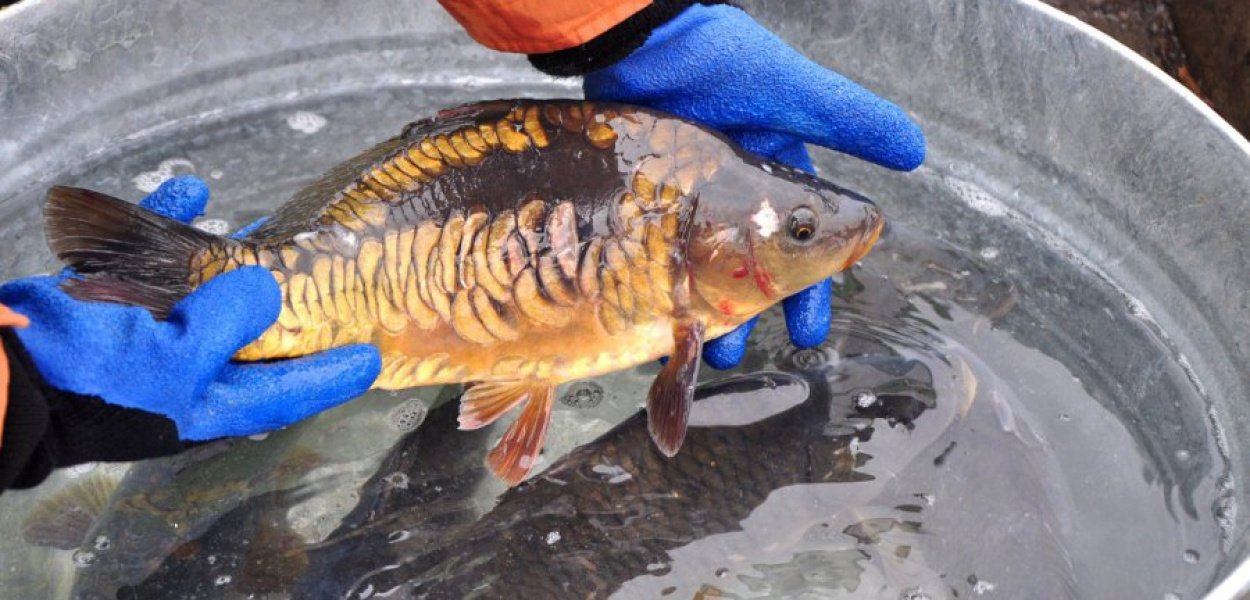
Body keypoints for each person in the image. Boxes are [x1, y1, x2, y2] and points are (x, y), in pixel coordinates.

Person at [0, 0, 924, 493]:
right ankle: (182, 292)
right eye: (800, 231)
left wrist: (626, 15)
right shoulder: (685, 238)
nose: (831, 238)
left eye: (802, 230)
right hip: (400, 264)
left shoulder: (694, 187)